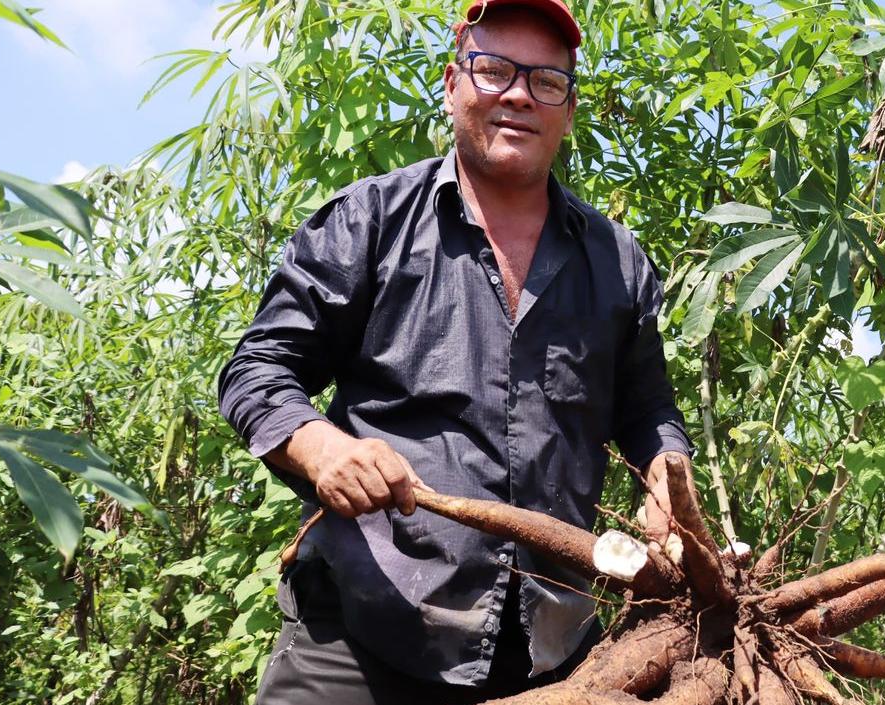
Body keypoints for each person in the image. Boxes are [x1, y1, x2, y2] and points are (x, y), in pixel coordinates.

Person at [216, 0, 692, 701]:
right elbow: (259, 369)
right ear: (451, 83)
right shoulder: (371, 221)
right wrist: (322, 448)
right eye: (494, 70)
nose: (518, 95)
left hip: (549, 651)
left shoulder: (617, 263)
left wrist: (667, 482)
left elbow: (648, 411)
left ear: (568, 109)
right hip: (364, 625)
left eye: (546, 81)